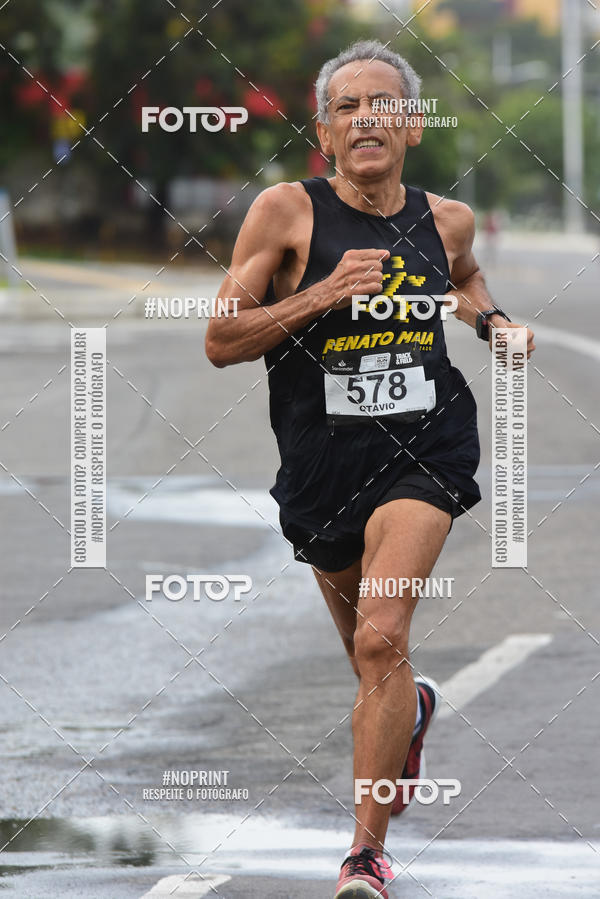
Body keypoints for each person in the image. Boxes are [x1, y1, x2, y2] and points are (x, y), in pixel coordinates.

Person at [206, 39, 535, 899]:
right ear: (324, 130)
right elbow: (219, 340)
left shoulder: (446, 218)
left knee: (383, 634)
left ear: (412, 125)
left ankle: (364, 853)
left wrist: (496, 325)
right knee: (370, 657)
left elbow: (462, 276)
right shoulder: (284, 213)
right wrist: (321, 293)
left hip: (426, 445)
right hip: (321, 463)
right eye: (347, 106)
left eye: (383, 102)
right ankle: (411, 708)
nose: (366, 118)